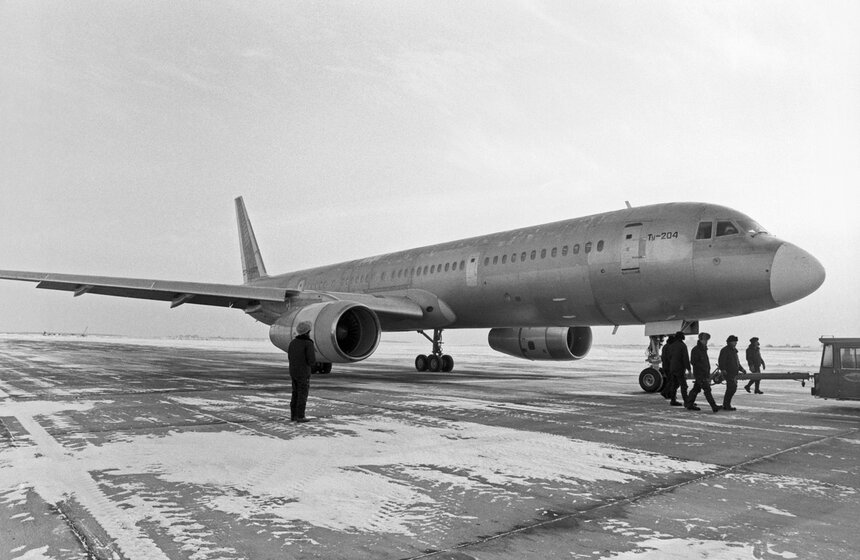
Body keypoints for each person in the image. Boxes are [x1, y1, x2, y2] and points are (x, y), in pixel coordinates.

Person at [287, 321, 316, 422]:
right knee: (302, 394)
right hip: (303, 373)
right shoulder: (308, 343)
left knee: (295, 393)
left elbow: (290, 357)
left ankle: (293, 415)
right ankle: (300, 416)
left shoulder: (293, 343)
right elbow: (311, 360)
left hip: (293, 372)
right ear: (307, 332)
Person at [686, 332, 720, 412]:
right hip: (700, 374)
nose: (706, 341)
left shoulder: (703, 349)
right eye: (705, 340)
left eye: (707, 340)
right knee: (707, 390)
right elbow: (694, 362)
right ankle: (714, 406)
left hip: (704, 373)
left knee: (696, 389)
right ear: (701, 339)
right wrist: (702, 371)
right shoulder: (696, 350)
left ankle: (689, 404)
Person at [718, 335, 746, 411]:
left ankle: (726, 404)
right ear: (730, 342)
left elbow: (737, 362)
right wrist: (723, 369)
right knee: (731, 388)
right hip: (729, 373)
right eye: (734, 341)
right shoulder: (725, 350)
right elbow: (721, 361)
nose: (735, 343)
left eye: (736, 342)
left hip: (733, 372)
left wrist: (742, 369)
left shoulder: (734, 350)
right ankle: (726, 405)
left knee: (732, 389)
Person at [666, 332, 691, 407]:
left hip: (672, 367)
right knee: (684, 385)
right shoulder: (682, 346)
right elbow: (685, 358)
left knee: (674, 385)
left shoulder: (671, 345)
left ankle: (673, 400)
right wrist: (689, 369)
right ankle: (686, 401)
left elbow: (669, 357)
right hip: (680, 368)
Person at [659, 334, 676, 400]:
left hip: (665, 366)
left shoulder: (665, 346)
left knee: (669, 380)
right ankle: (665, 392)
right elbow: (670, 357)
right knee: (672, 381)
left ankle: (669, 394)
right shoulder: (670, 347)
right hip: (669, 366)